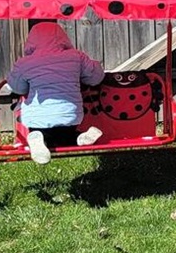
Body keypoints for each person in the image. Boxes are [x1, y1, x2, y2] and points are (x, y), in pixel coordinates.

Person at [6, 22, 105, 164]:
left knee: (45, 134)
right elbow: (96, 78)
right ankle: (80, 138)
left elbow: (16, 87)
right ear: (63, 38)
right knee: (66, 137)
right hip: (70, 115)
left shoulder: (25, 63)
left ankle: (39, 138)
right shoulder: (76, 57)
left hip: (37, 117)